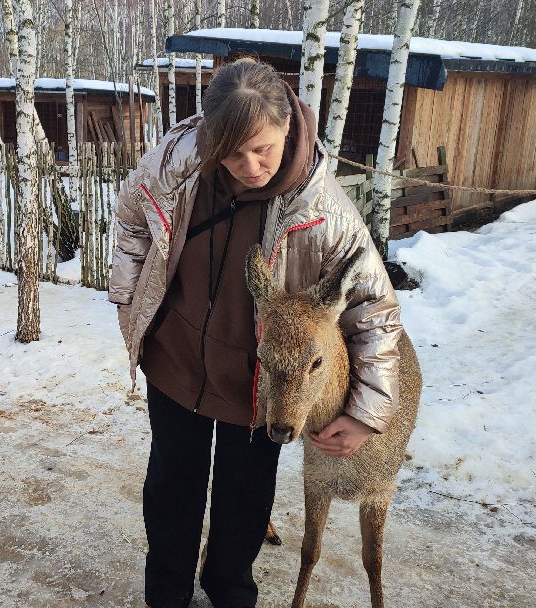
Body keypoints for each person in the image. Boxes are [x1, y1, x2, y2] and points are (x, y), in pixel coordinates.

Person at [108, 58, 403, 608]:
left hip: (262, 388)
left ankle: (230, 589)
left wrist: (366, 411)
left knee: (244, 498)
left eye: (262, 148)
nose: (249, 166)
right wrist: (130, 300)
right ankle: (166, 592)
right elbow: (129, 217)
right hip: (174, 360)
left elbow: (376, 313)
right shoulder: (177, 161)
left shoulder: (323, 211)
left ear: (287, 125)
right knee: (171, 484)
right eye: (233, 151)